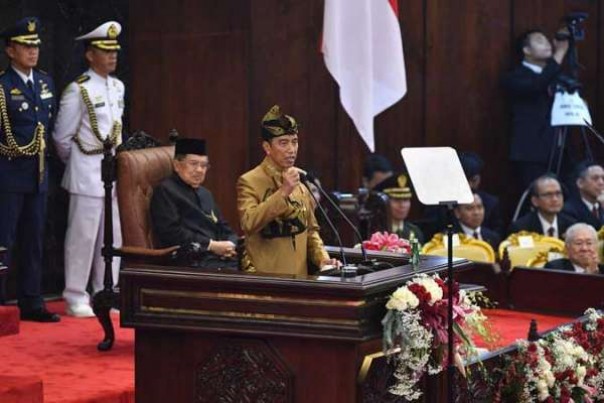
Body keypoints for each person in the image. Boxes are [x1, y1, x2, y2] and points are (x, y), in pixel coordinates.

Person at [52, 21, 124, 318]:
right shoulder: (77, 90)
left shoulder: (117, 86)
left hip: (112, 173)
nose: (112, 57)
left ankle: (106, 291)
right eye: (104, 52)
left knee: (113, 237)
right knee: (83, 237)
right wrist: (79, 165)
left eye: (114, 52)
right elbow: (61, 138)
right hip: (86, 172)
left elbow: (117, 130)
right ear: (90, 55)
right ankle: (75, 295)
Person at [0, 17, 59, 322]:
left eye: (35, 45)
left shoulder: (45, 82)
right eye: (25, 46)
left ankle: (32, 301)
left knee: (34, 239)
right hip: (8, 172)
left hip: (38, 173)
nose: (32, 51)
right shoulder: (3, 86)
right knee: (4, 239)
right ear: (10, 50)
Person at [237, 105, 336, 275]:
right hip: (265, 280)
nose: (291, 149)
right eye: (283, 143)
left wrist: (322, 259)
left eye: (294, 141)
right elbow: (248, 223)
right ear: (267, 147)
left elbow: (310, 231)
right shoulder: (250, 181)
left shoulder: (301, 182)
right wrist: (283, 192)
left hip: (299, 281)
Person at [150, 138, 239, 268]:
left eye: (204, 166)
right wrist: (211, 245)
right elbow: (171, 233)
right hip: (191, 261)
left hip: (219, 257)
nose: (199, 170)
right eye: (193, 164)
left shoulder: (205, 193)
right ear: (177, 165)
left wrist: (232, 244)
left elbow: (223, 226)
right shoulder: (165, 191)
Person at [502, 28, 570, 189]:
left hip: (559, 149)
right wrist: (559, 54)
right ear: (526, 50)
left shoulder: (557, 76)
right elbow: (536, 86)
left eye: (547, 40)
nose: (547, 44)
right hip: (532, 152)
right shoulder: (515, 76)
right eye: (539, 41)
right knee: (538, 196)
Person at [508, 174, 575, 239]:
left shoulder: (572, 226)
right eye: (548, 195)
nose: (555, 199)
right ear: (535, 201)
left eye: (558, 194)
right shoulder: (521, 229)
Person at [458, 152, 504, 236]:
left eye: (473, 180)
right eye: (465, 181)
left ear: (479, 178)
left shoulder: (491, 203)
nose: (469, 185)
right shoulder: (444, 203)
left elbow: (497, 235)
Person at [372, 173, 424, 244]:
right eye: (396, 200)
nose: (402, 205)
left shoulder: (415, 232)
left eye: (405, 200)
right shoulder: (376, 232)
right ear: (386, 202)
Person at [563, 163, 604, 230]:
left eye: (603, 178)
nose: (601, 183)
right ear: (580, 183)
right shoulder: (568, 211)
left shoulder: (602, 205)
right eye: (595, 178)